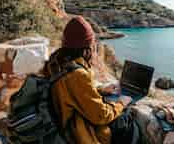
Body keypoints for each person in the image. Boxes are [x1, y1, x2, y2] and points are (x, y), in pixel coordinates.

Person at [44, 16, 142, 144]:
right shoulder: (78, 74)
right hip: (77, 131)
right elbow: (101, 116)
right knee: (126, 118)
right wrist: (122, 103)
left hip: (61, 121)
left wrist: (101, 89)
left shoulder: (56, 61)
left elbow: (71, 92)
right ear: (86, 49)